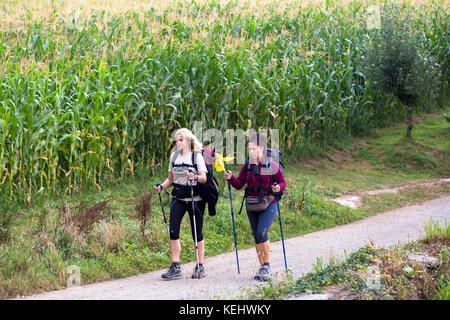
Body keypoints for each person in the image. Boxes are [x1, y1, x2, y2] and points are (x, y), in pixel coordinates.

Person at [224, 133, 286, 281]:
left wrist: (278, 188)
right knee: (256, 237)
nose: (251, 152)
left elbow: (282, 182)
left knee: (261, 232)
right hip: (252, 204)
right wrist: (231, 177)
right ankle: (262, 267)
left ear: (262, 148)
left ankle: (267, 266)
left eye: (253, 149)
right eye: (249, 149)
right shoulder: (248, 165)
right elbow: (239, 184)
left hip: (269, 203)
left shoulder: (271, 164)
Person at [154, 128, 207, 280]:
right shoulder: (174, 156)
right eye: (177, 140)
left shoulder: (196, 156)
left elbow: (204, 177)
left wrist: (194, 177)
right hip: (178, 198)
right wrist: (162, 187)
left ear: (189, 140)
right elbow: (170, 178)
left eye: (181, 139)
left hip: (194, 198)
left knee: (196, 232)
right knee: (173, 231)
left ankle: (200, 265)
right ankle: (175, 266)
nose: (178, 142)